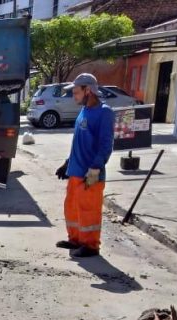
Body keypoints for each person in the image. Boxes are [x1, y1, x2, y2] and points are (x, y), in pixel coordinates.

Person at [55, 73, 115, 259]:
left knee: (89, 211)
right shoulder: (84, 111)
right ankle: (75, 239)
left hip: (90, 174)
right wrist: (68, 163)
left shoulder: (104, 112)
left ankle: (90, 245)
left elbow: (105, 145)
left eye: (76, 92)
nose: (74, 96)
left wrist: (95, 169)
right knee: (72, 207)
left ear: (88, 90)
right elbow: (79, 142)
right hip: (76, 171)